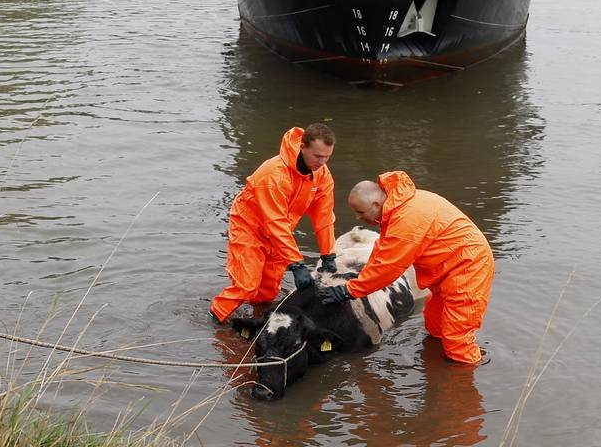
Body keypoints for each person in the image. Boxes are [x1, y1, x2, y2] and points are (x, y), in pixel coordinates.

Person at [319, 171, 494, 364]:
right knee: (436, 324)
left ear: (376, 205)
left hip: (468, 267)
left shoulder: (405, 219)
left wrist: (348, 290)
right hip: (447, 268)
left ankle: (462, 383)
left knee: (457, 339)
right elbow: (381, 253)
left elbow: (387, 269)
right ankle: (437, 369)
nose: (357, 218)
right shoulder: (397, 208)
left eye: (360, 212)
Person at [210, 124, 338, 323]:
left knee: (268, 292)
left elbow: (324, 215)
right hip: (249, 227)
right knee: (246, 285)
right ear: (302, 147)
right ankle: (216, 319)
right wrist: (296, 264)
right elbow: (274, 220)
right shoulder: (274, 174)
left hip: (280, 232)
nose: (322, 162)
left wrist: (328, 254)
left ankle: (258, 324)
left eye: (327, 157)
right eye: (317, 156)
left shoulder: (321, 174)